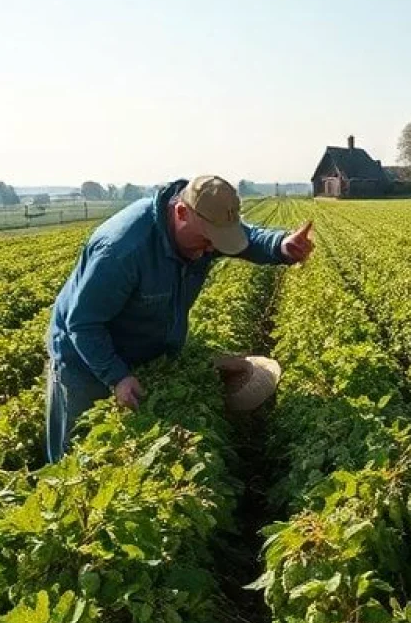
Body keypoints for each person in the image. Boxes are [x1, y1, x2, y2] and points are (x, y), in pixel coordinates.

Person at [45, 175, 313, 462]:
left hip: (141, 347)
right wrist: (117, 376)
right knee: (80, 450)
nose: (210, 249)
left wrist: (281, 246)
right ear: (181, 212)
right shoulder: (122, 250)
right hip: (84, 357)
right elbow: (83, 324)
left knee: (133, 442)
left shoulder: (204, 227)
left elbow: (246, 239)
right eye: (207, 240)